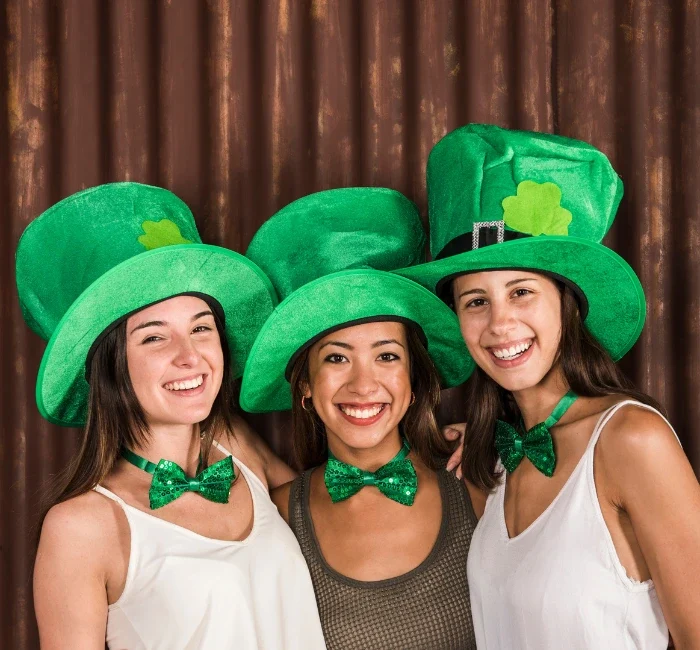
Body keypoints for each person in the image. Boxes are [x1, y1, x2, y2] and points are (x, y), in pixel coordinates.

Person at [398, 124, 700, 648]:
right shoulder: (494, 462)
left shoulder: (631, 440)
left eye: (521, 292)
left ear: (567, 302)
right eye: (475, 301)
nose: (499, 323)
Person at [16, 182, 326, 649]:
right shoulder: (82, 527)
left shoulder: (234, 447)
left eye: (201, 328)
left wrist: (445, 446)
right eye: (155, 337)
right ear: (111, 366)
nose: (191, 357)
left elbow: (339, 515)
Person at [239, 187, 478, 650]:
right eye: (336, 359)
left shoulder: (476, 483)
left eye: (386, 356)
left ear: (415, 381)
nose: (363, 385)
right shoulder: (276, 514)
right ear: (305, 387)